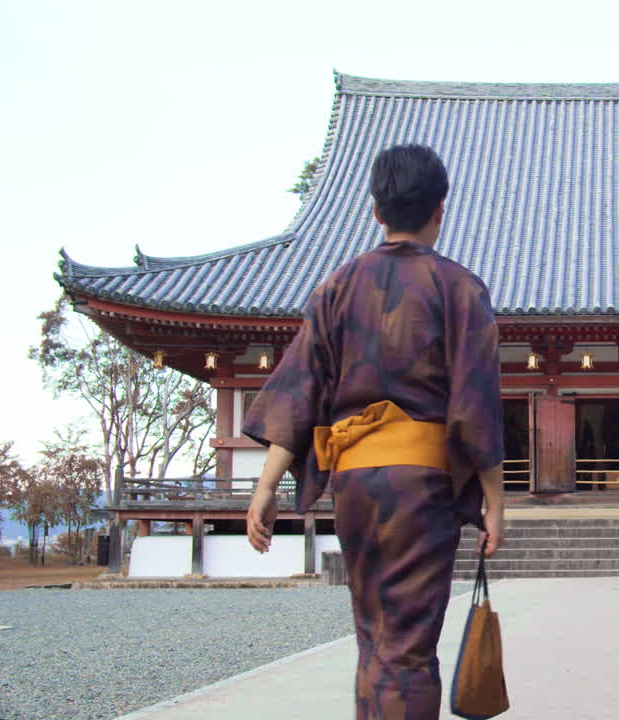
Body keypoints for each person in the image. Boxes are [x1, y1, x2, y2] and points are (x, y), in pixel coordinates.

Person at [241, 144, 506, 719]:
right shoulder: (459, 288)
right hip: (422, 486)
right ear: (442, 208)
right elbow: (476, 402)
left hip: (355, 484)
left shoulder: (335, 287)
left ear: (375, 210)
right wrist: (493, 501)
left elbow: (300, 387)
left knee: (375, 641)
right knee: (408, 648)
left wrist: (265, 486)